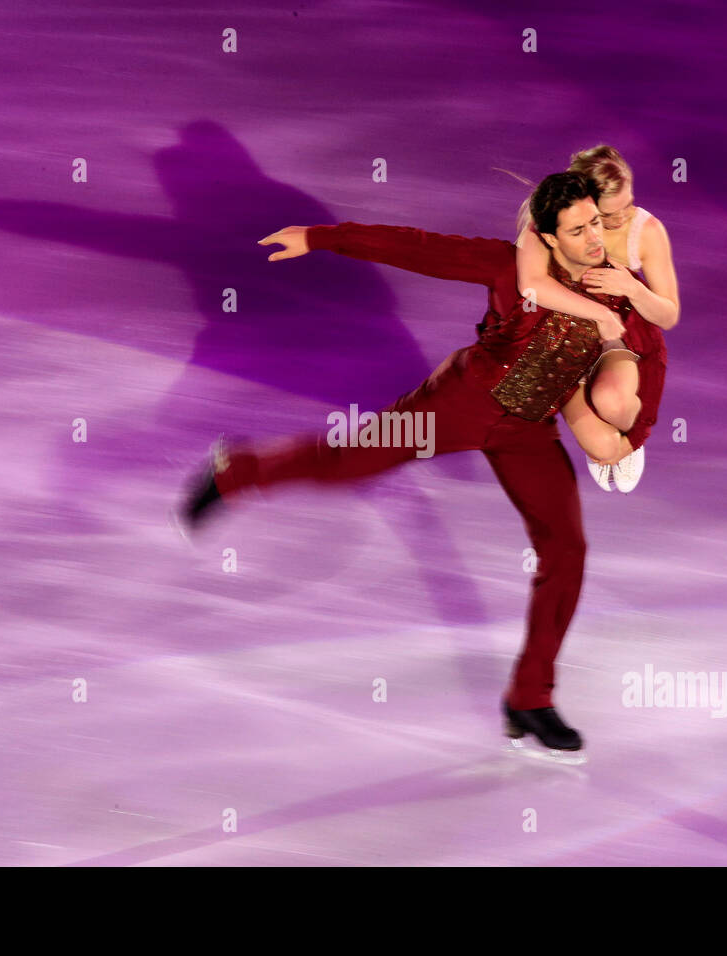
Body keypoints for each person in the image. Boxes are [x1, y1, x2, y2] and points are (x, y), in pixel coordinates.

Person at [180, 173, 644, 760]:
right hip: (456, 406)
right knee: (345, 465)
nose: (593, 237)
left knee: (567, 550)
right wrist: (323, 237)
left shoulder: (616, 284)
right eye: (576, 230)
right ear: (546, 238)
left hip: (529, 430)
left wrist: (627, 426)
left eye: (596, 223)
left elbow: (638, 357)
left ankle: (530, 700)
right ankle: (237, 470)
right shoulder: (508, 267)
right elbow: (416, 247)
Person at [516, 145, 679, 493]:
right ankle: (581, 403)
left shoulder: (645, 231)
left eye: (628, 205)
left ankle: (619, 426)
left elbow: (667, 315)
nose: (621, 220)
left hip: (619, 337)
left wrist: (633, 290)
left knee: (613, 404)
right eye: (608, 215)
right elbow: (530, 284)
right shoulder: (551, 222)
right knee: (602, 447)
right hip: (563, 339)